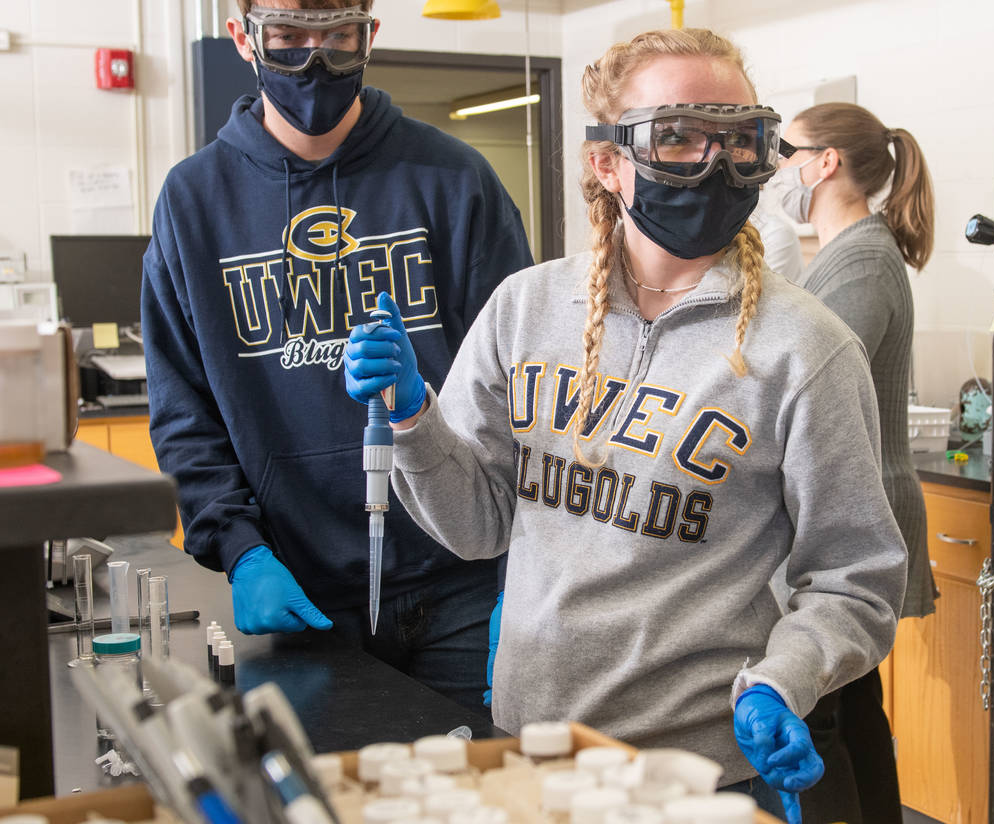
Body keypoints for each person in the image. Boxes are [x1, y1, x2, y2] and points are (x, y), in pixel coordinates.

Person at [342, 28, 906, 824]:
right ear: (607, 162)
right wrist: (413, 418)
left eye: (739, 137)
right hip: (530, 752)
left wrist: (787, 677)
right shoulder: (526, 309)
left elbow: (855, 577)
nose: (713, 162)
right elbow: (476, 526)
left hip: (696, 775)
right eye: (676, 136)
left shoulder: (805, 349)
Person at [141, 0, 533, 714]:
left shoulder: (453, 179)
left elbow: (524, 392)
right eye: (288, 37)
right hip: (301, 591)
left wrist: (522, 572)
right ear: (243, 36)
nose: (314, 60)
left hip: (463, 583)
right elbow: (182, 409)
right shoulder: (194, 202)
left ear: (370, 35)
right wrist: (241, 549)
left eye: (338, 38)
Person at [763, 102, 939, 824]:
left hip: (858, 503)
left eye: (784, 152)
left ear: (824, 162)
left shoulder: (862, 259)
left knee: (831, 708)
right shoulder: (841, 253)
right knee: (852, 701)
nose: (777, 169)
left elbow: (814, 380)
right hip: (852, 493)